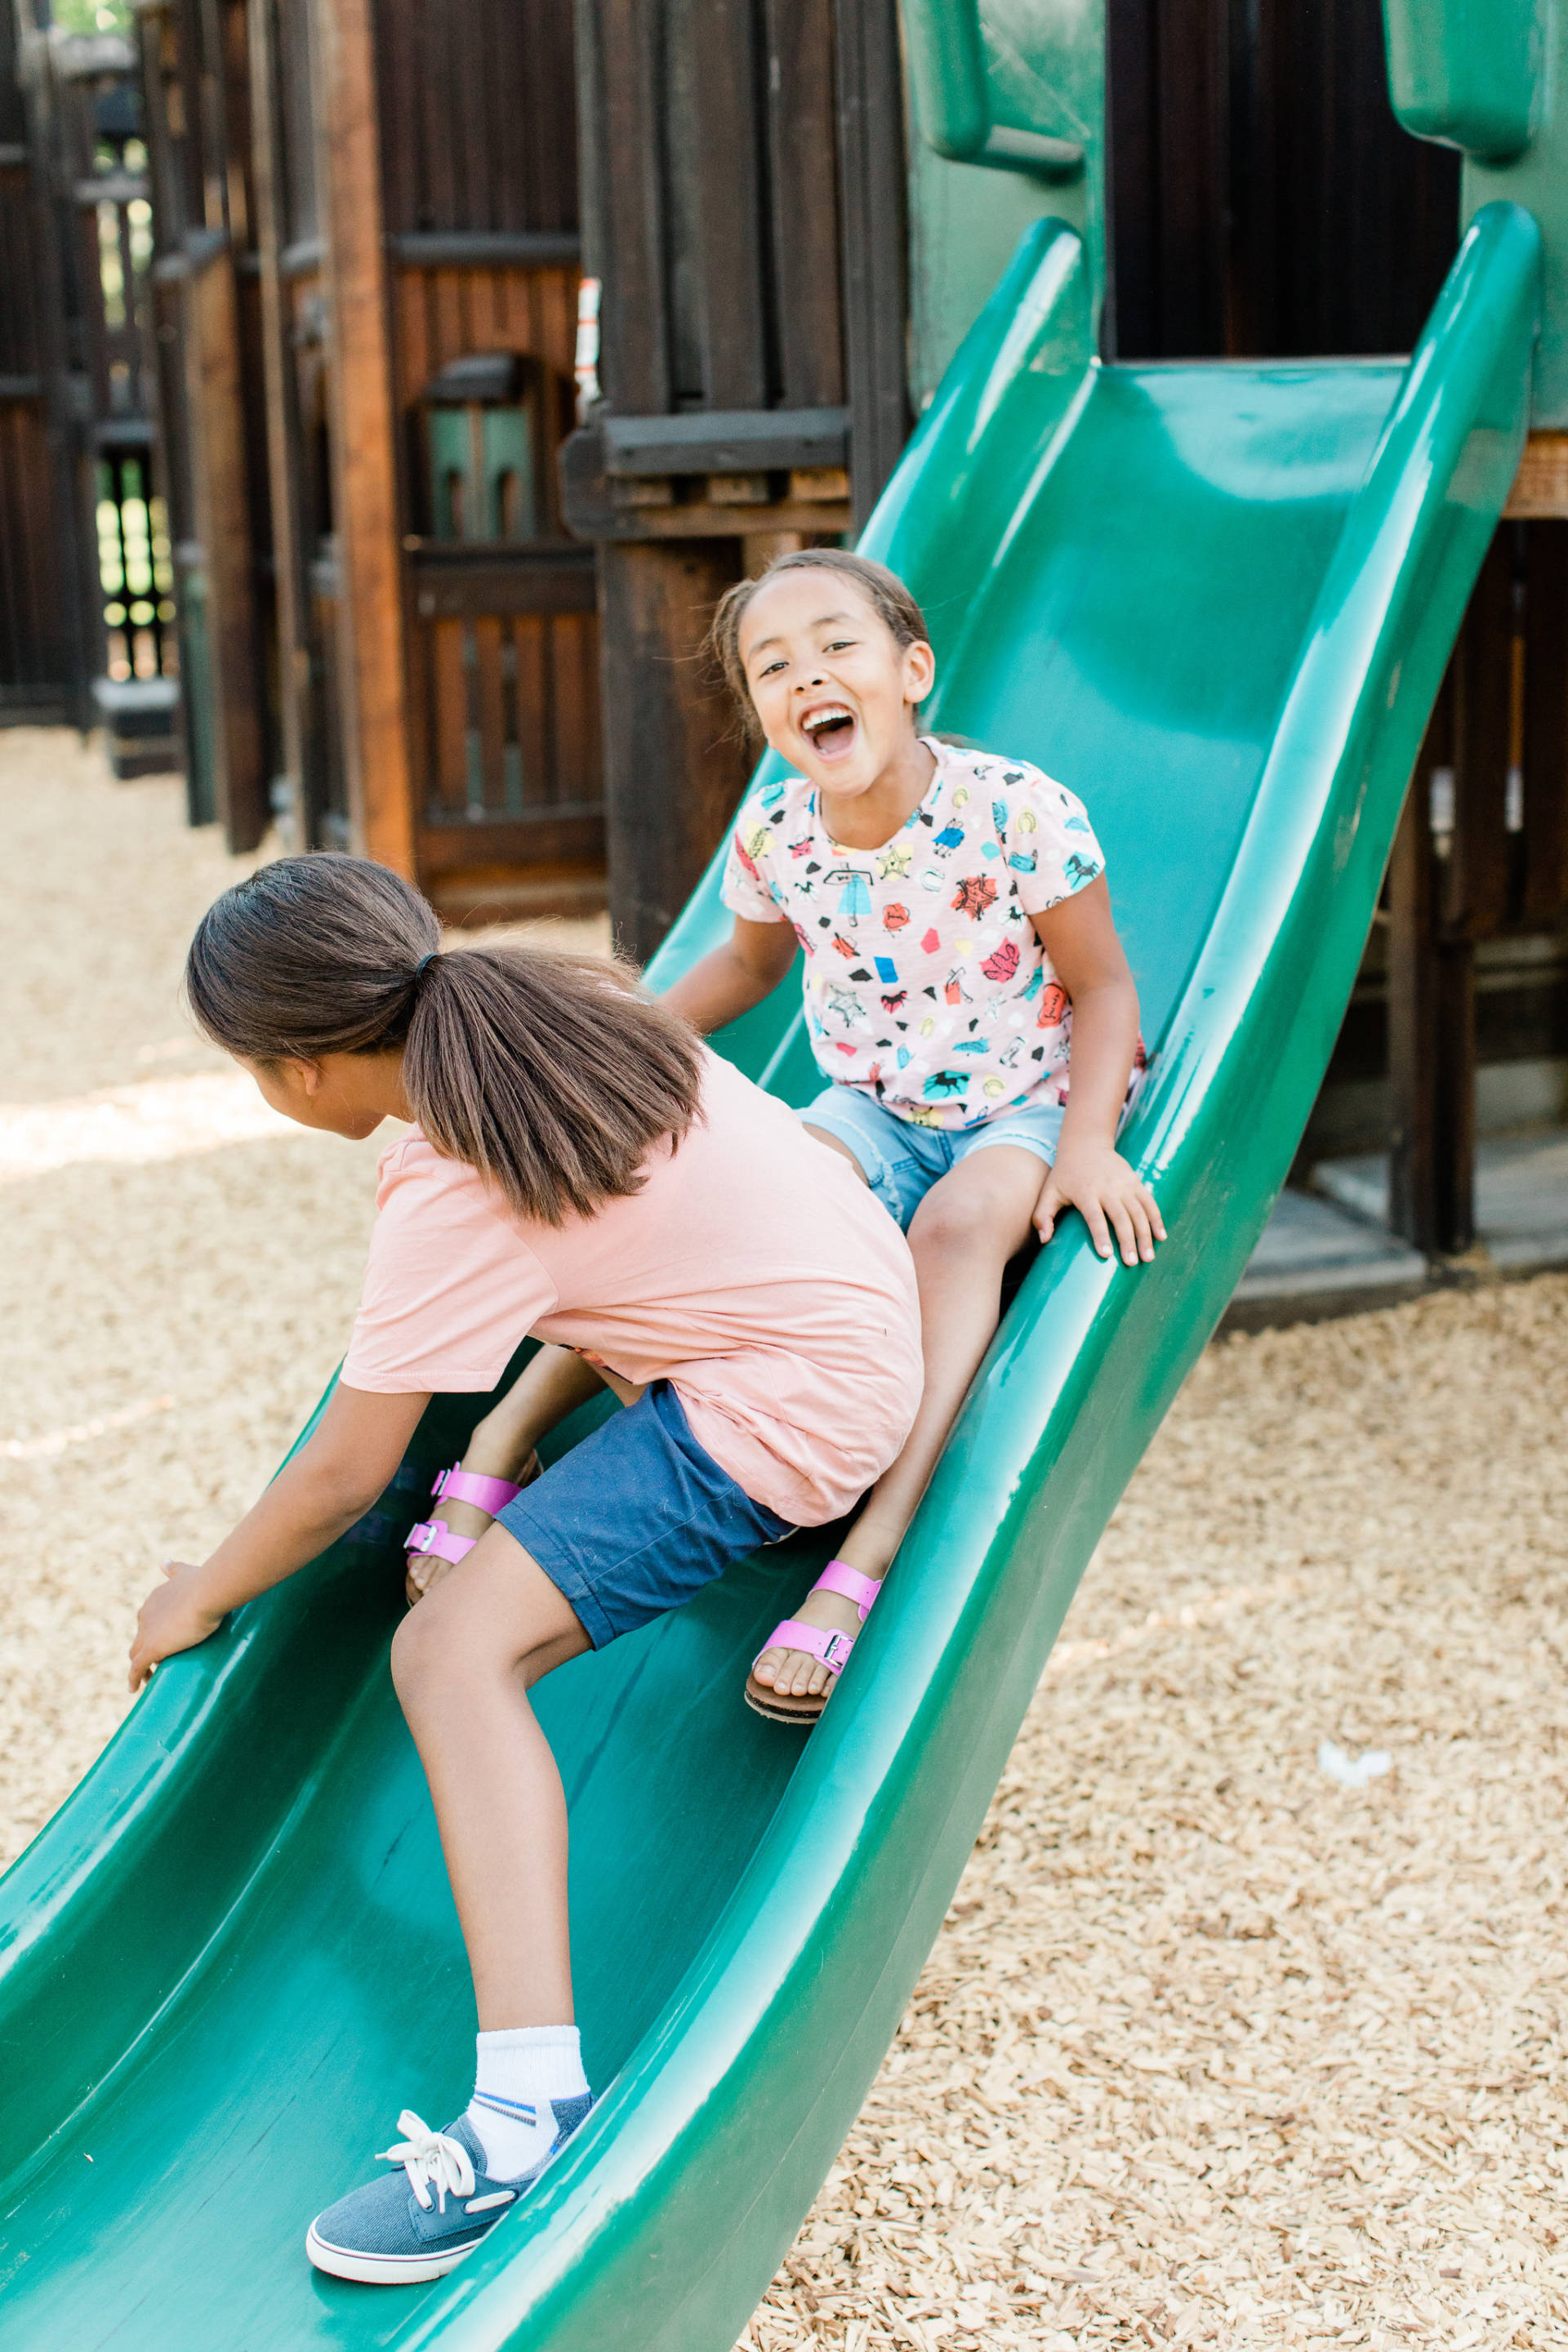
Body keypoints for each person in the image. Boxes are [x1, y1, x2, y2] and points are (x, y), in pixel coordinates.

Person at [128, 853, 922, 2284]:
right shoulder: (555, 1007)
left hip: (789, 1407)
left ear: (299, 1073)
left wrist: (200, 1591)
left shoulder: (451, 1179)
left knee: (445, 1654)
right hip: (852, 1308)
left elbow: (340, 1479)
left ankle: (524, 2113)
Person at [662, 546, 1164, 1721]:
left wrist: (1085, 1144)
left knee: (957, 1227)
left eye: (837, 645)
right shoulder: (779, 838)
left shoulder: (1015, 812)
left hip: (1022, 1100)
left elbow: (1105, 991)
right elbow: (743, 964)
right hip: (873, 1104)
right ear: (763, 716)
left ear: (911, 669)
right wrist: (599, 1038)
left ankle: (865, 1556)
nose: (808, 676)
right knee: (750, 1193)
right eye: (771, 666)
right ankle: (698, 1440)